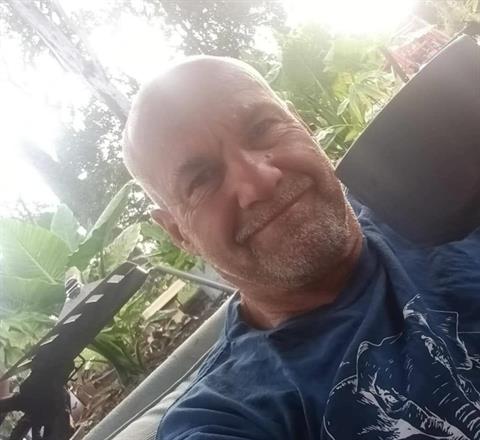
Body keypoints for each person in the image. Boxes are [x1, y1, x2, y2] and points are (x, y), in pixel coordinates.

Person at [123, 56, 480, 439]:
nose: (260, 182)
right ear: (178, 232)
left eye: (262, 128)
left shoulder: (441, 186)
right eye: (201, 179)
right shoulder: (224, 417)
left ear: (303, 126)